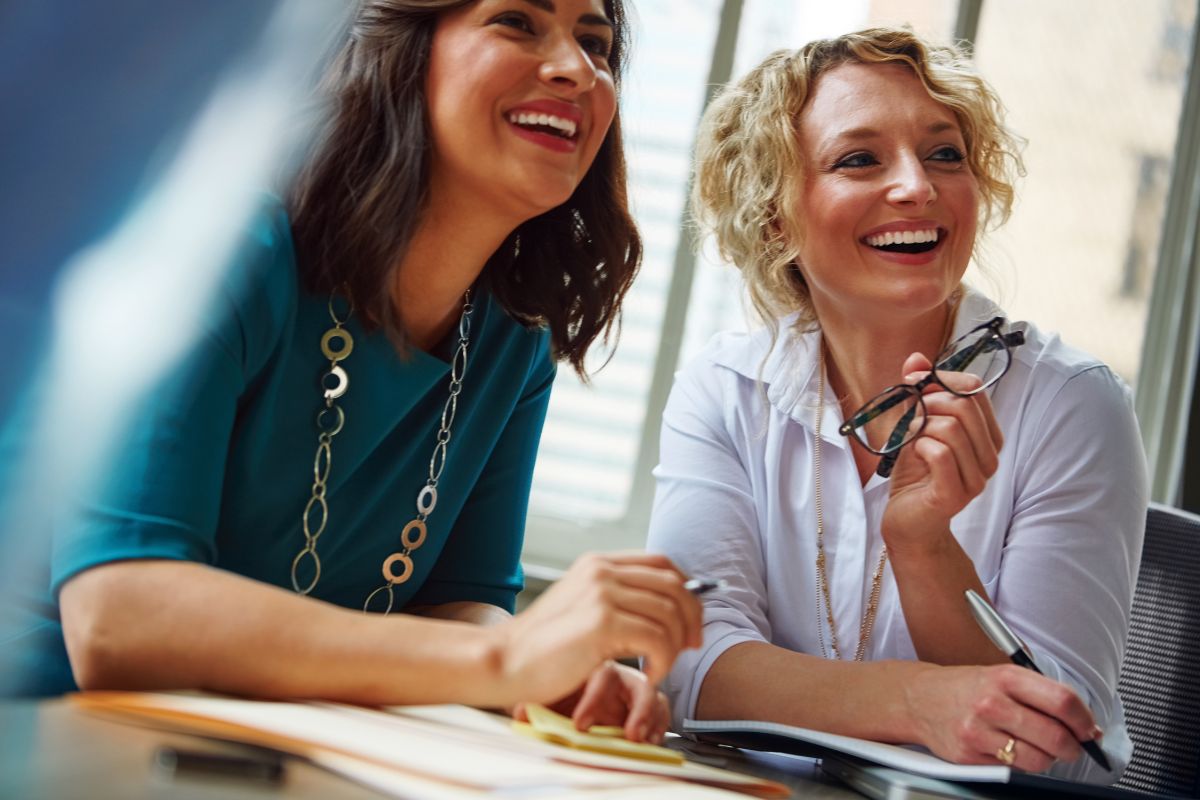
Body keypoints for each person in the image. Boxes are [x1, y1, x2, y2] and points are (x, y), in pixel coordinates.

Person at [0, 0, 702, 744]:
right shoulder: (223, 254)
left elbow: (460, 605)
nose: (576, 68)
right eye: (517, 21)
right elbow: (117, 618)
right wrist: (503, 657)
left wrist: (557, 674)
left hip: (267, 753)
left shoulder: (512, 345)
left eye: (596, 43)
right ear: (401, 51)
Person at [647, 27, 1146, 783]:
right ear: (775, 216)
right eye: (859, 159)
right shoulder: (725, 390)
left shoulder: (1073, 406)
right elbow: (688, 671)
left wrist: (923, 547)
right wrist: (915, 700)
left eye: (944, 153)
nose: (918, 186)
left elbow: (1058, 750)